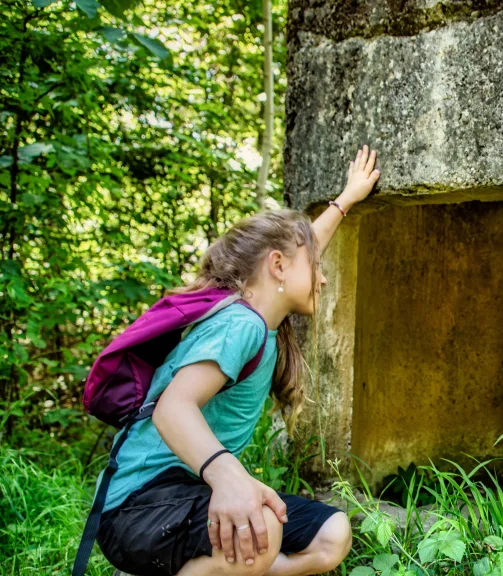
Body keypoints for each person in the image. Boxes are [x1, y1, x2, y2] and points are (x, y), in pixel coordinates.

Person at [95, 146, 381, 576]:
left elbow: (300, 251)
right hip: (135, 505)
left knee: (330, 535)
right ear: (278, 267)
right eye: (315, 266)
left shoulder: (261, 313)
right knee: (256, 531)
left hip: (186, 490)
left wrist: (346, 200)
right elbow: (173, 409)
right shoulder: (240, 325)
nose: (322, 276)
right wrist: (227, 476)